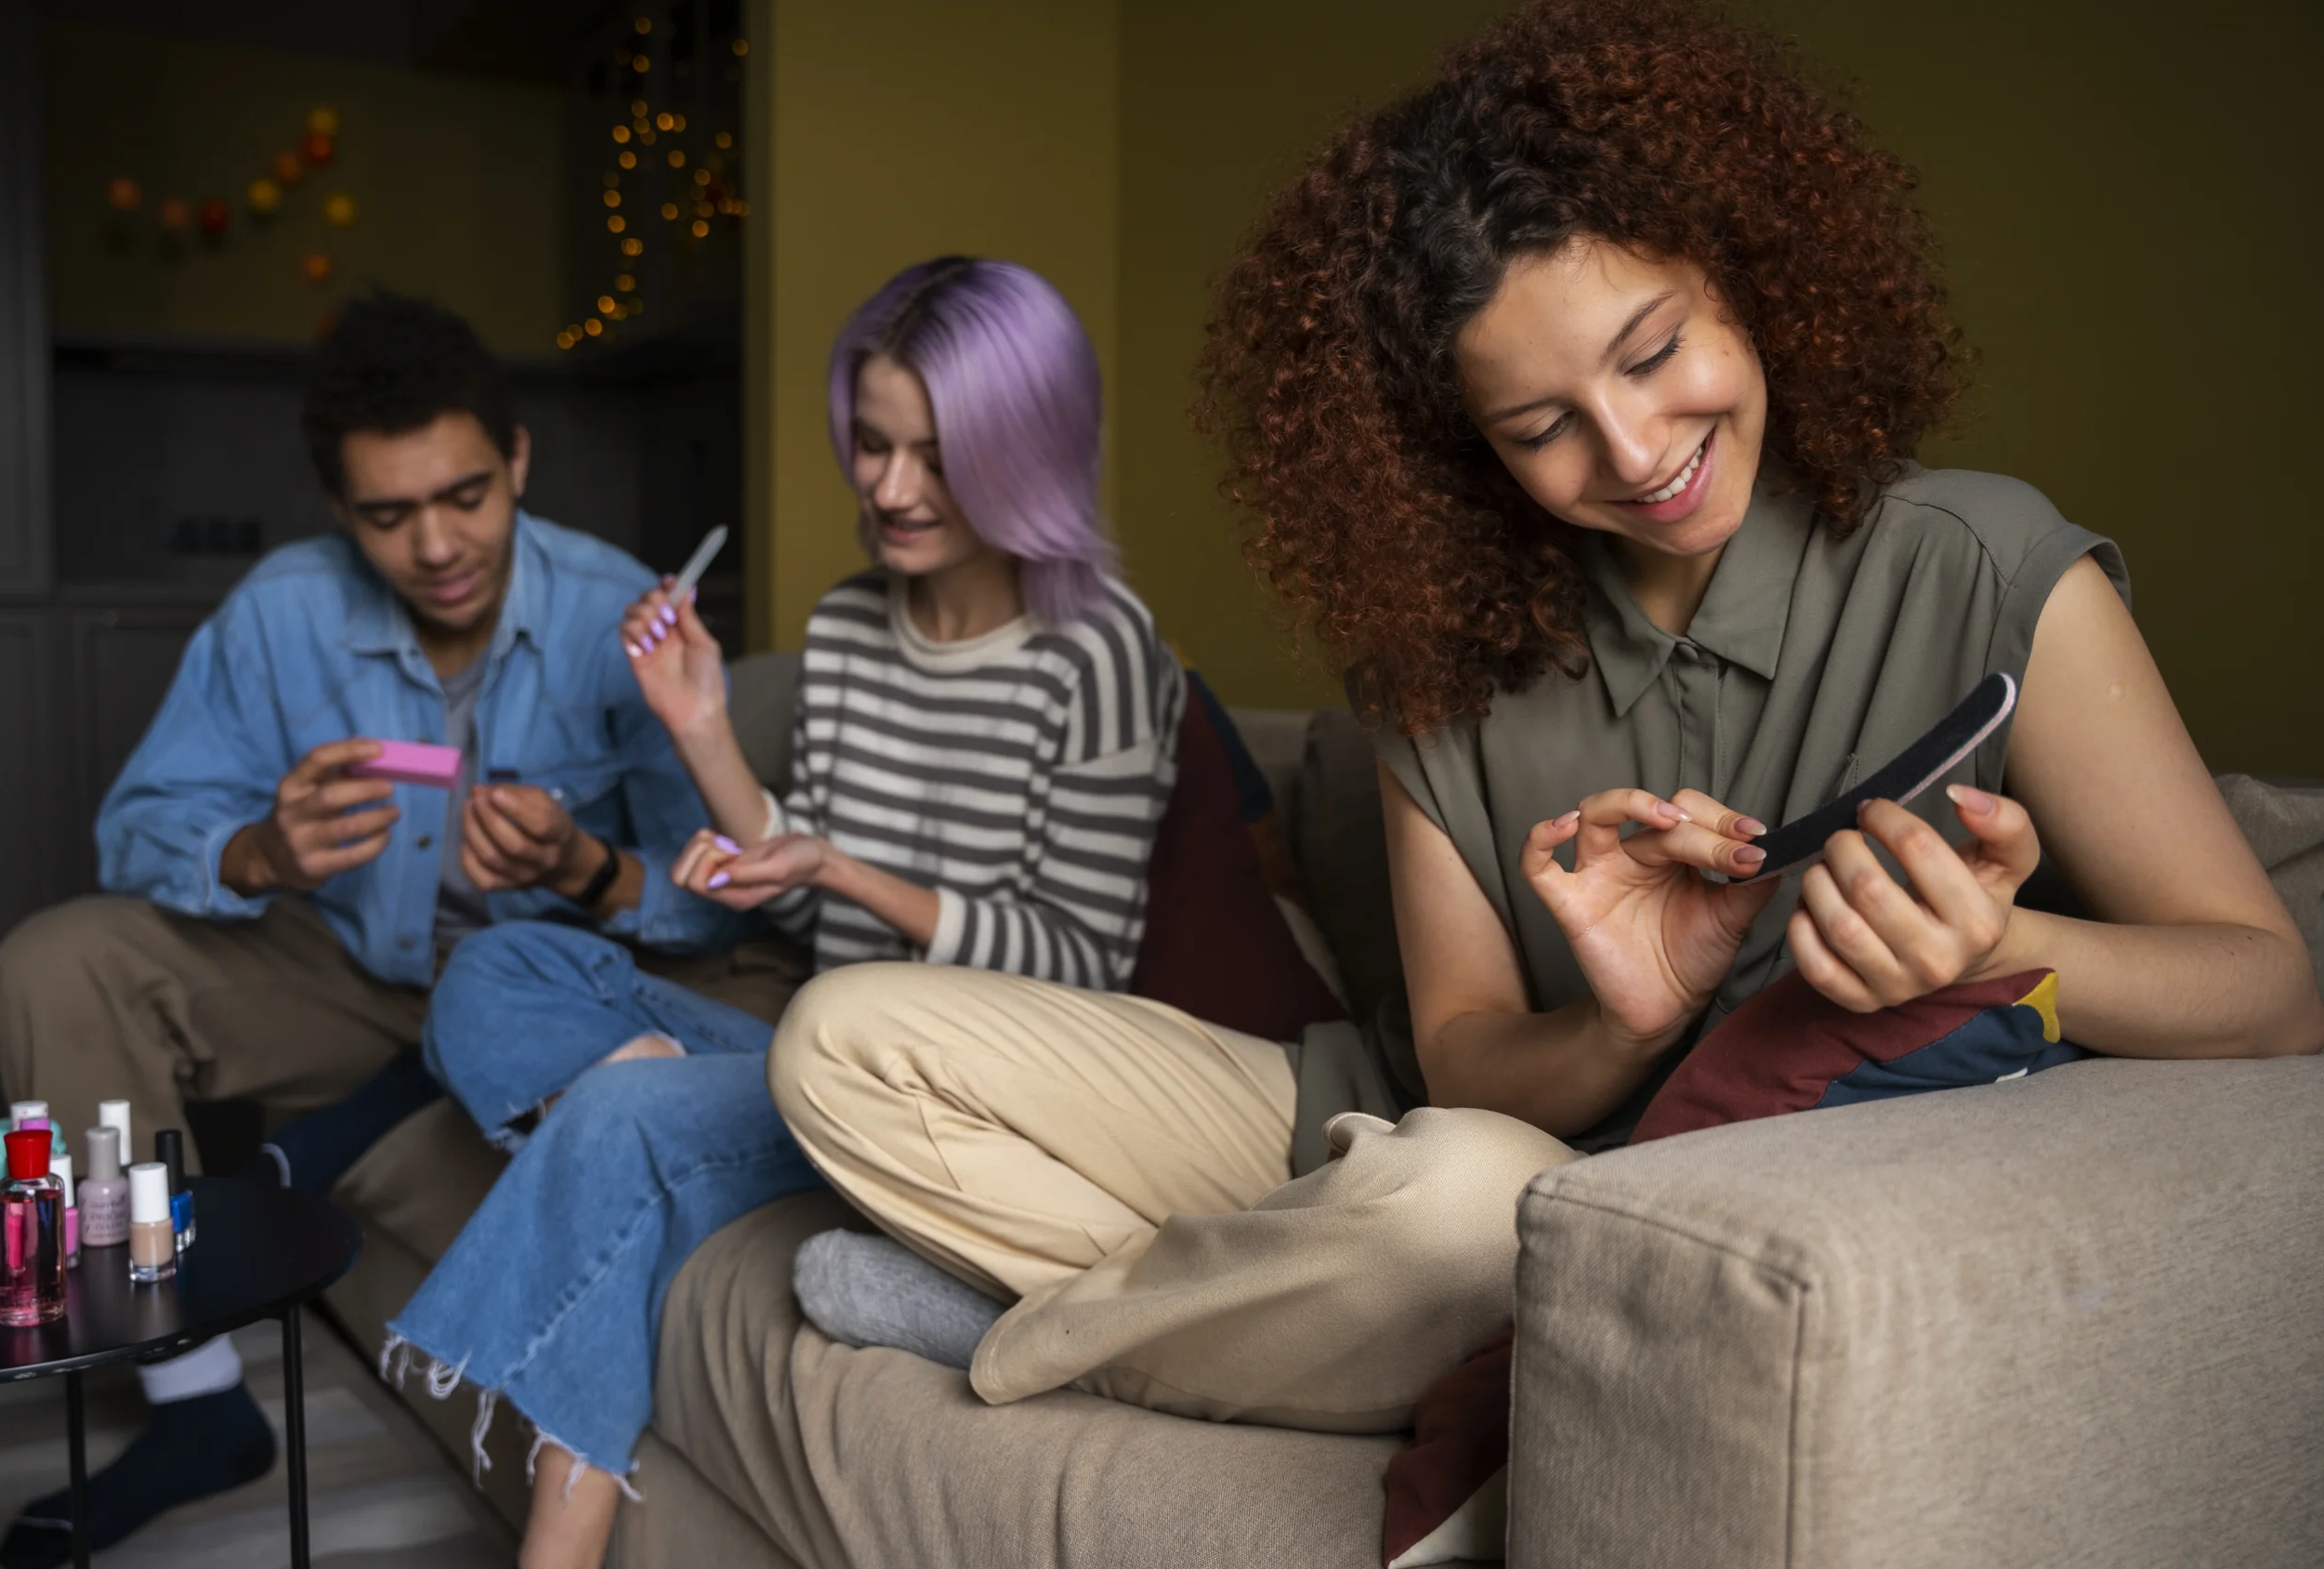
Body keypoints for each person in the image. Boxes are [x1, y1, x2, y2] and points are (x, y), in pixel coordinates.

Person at [761, 0, 2324, 1441]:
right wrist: (1619, 1019)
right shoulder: (1440, 658)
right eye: (1537, 427)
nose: (1636, 450)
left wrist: (1987, 946)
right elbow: (1454, 1064)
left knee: (1454, 1210)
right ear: (1459, 448)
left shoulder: (1984, 571)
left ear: (1752, 271)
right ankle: (1295, 1319)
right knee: (842, 1042)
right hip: (1380, 1126)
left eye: (1655, 354)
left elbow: (2272, 991)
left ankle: (1035, 1333)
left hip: (1527, 1204)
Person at [386, 257, 1186, 1569]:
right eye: (871, 443)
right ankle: (636, 1106)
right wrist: (700, 727)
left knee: (633, 1113)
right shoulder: (847, 626)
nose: (887, 487)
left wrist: (854, 874)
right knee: (491, 970)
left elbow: (1078, 961)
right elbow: (782, 867)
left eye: (935, 454)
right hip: (806, 1050)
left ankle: (556, 1552)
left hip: (952, 1102)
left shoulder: (1101, 652)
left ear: (1024, 449)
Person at [0, 292, 751, 1569]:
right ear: (340, 511)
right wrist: (256, 851)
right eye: (389, 516)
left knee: (512, 1016)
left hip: (532, 1010)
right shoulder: (281, 613)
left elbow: (719, 890)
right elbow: (136, 825)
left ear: (518, 460)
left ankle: (374, 1130)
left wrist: (592, 865)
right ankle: (192, 1400)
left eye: (465, 496)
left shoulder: (618, 614)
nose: (438, 544)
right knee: (53, 961)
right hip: (346, 979)